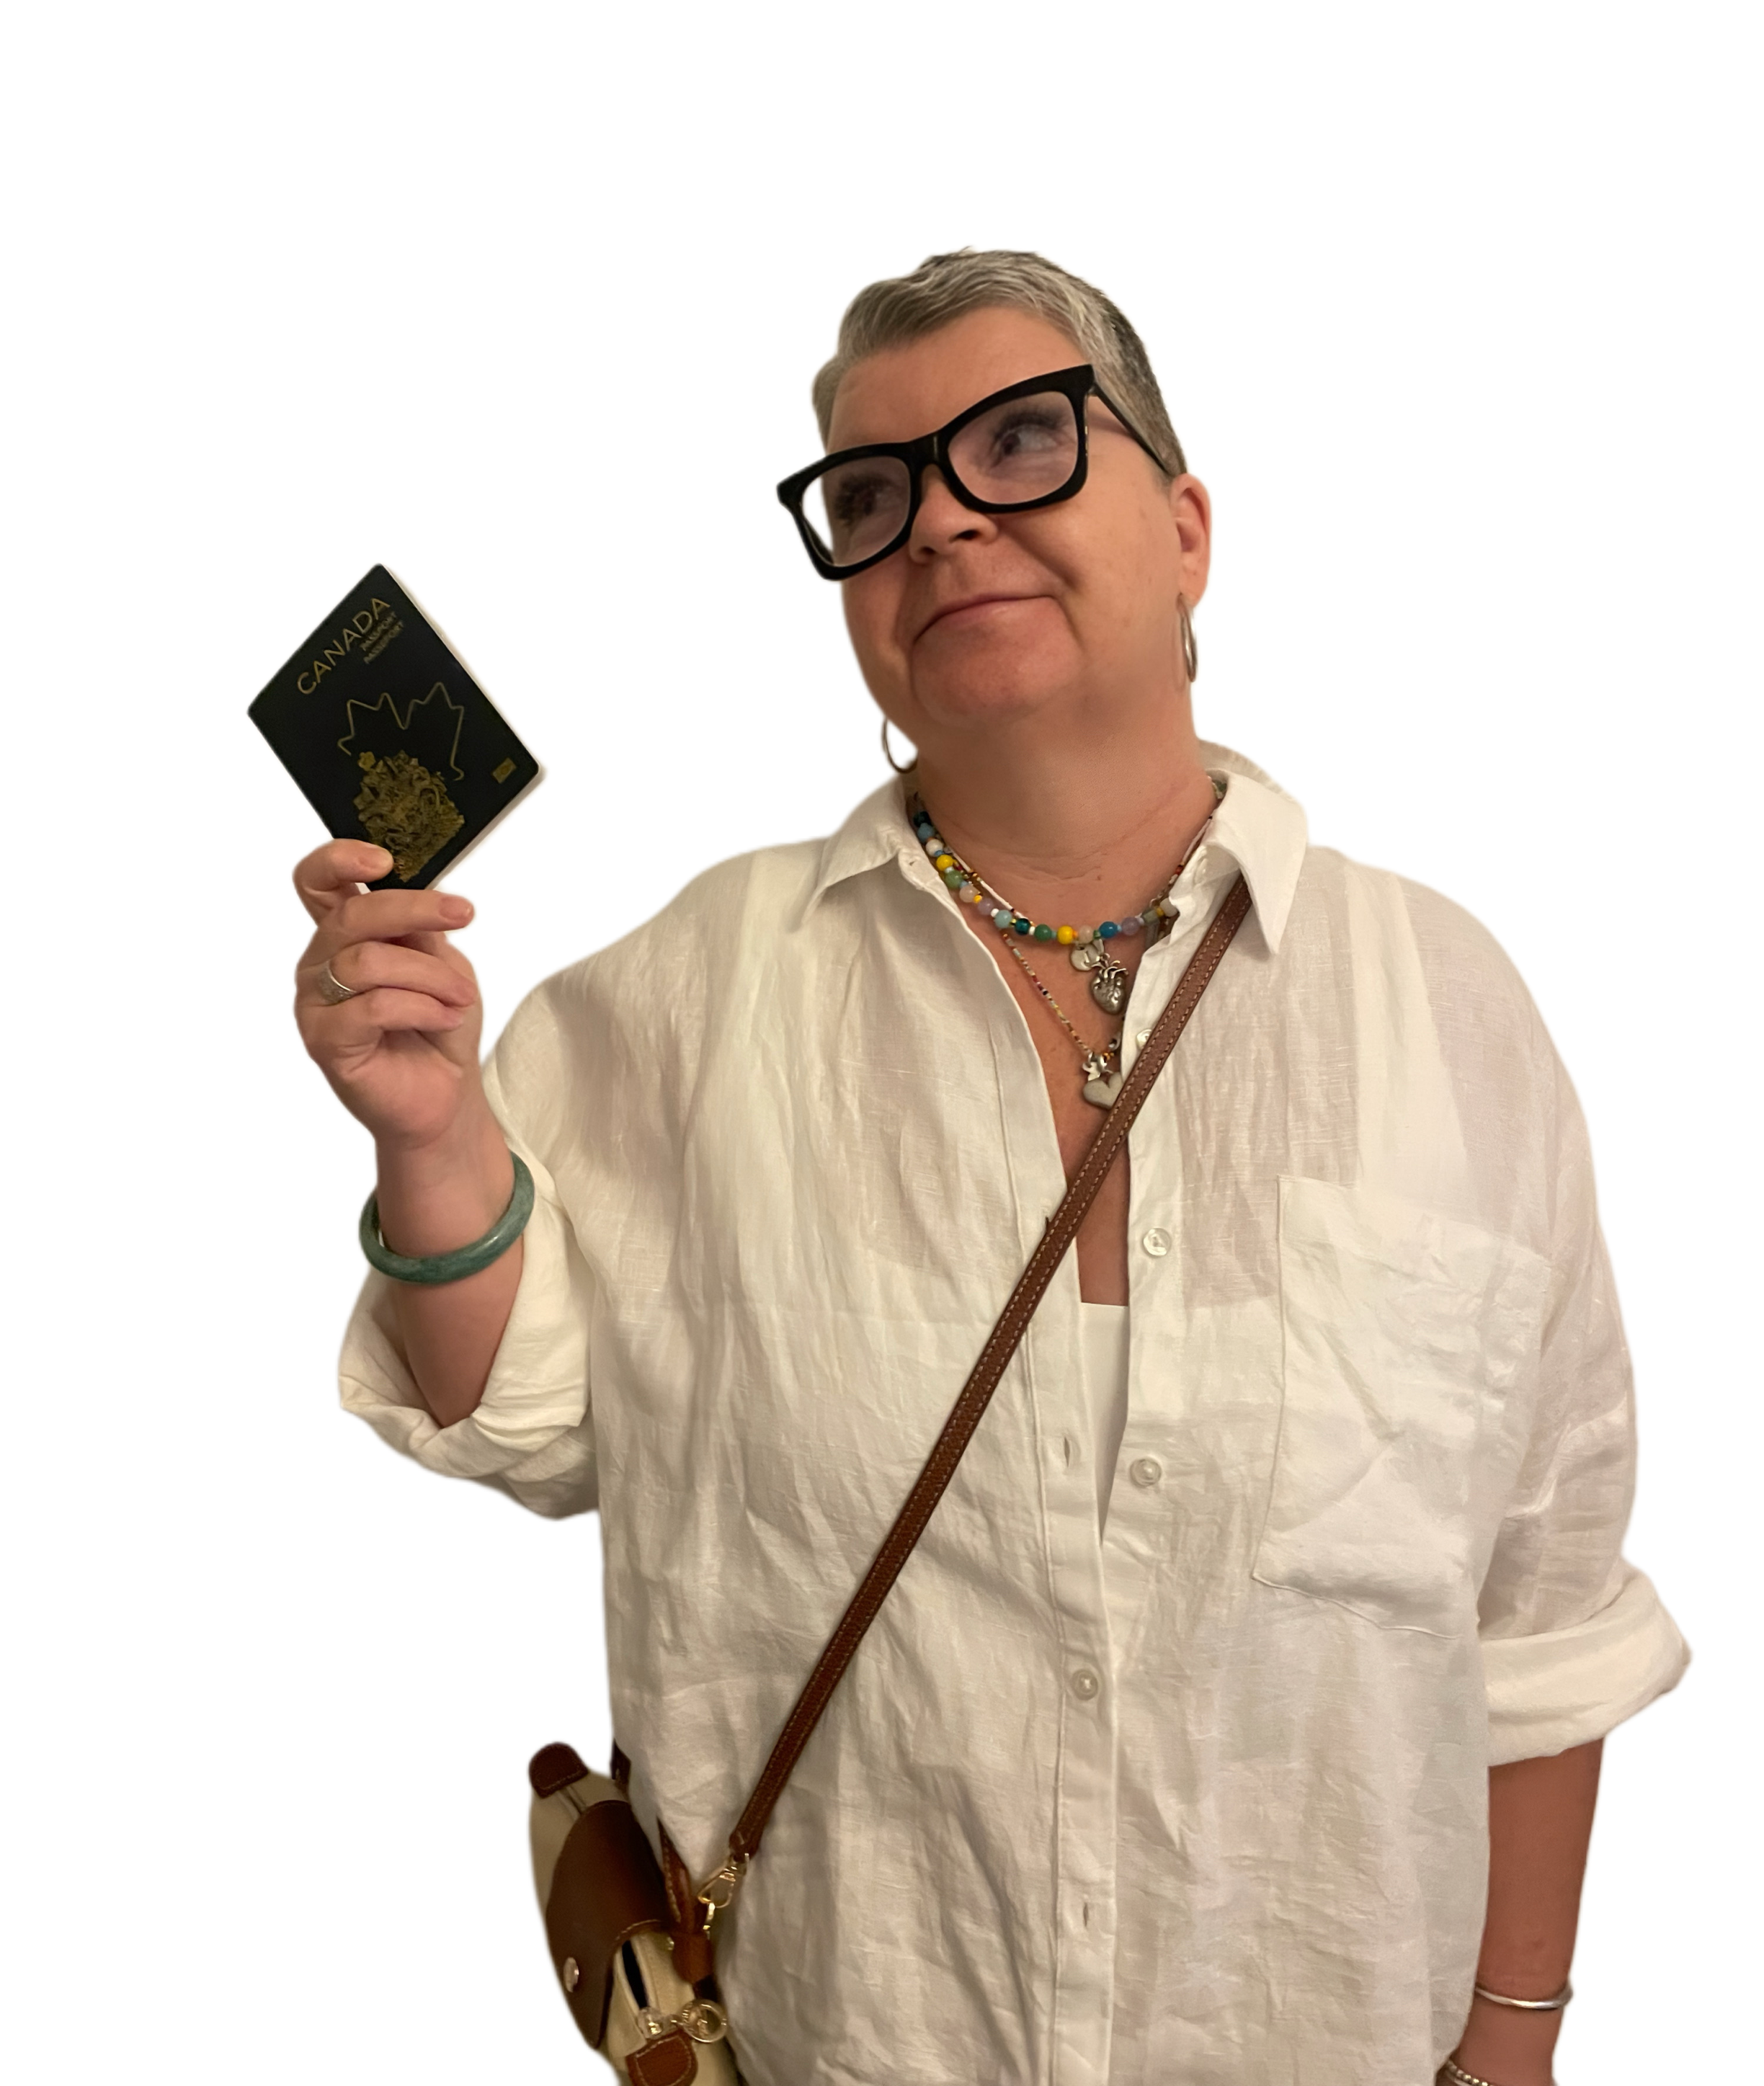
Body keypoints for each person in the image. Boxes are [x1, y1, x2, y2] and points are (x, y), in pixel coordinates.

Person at [305, 244, 1695, 2085]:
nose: (944, 523)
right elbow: (519, 1423)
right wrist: (428, 1139)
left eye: (1023, 442)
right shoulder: (671, 996)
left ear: (1189, 527)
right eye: (869, 497)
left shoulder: (1459, 1018)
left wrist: (1516, 2040)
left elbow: (1545, 1618)